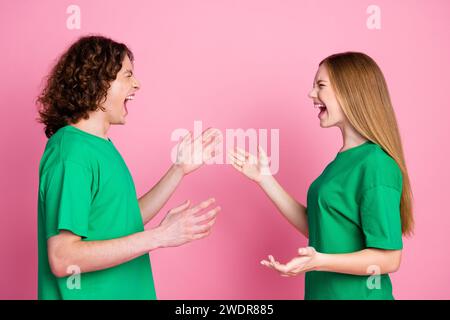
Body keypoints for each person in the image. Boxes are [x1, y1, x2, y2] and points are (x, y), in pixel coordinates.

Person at [36, 35, 221, 300]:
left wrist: (178, 169)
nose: (137, 84)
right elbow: (64, 258)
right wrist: (160, 236)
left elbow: (122, 223)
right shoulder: (71, 153)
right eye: (127, 75)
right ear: (98, 82)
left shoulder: (100, 147)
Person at [228, 52, 414, 300]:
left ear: (350, 92)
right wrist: (264, 178)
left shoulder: (376, 165)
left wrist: (318, 261)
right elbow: (317, 227)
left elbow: (389, 258)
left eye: (320, 86)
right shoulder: (341, 163)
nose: (311, 94)